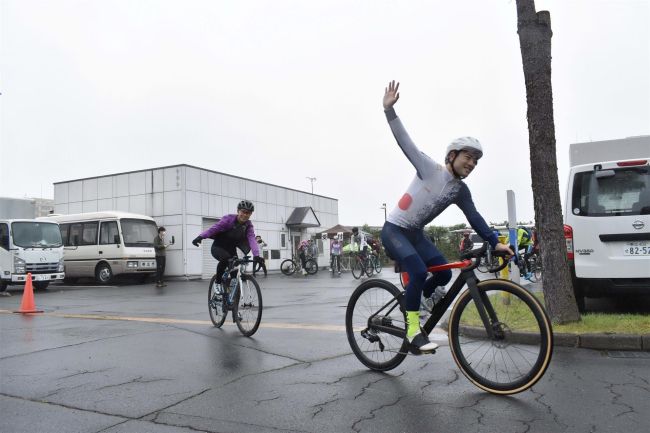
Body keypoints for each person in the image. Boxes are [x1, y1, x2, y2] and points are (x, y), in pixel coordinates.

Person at [379, 80, 513, 353]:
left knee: (441, 274)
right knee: (417, 271)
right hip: (394, 229)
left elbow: (474, 216)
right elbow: (406, 143)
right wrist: (389, 111)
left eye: (476, 161)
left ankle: (416, 301)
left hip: (415, 235)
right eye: (468, 157)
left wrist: (494, 241)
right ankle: (413, 330)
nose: (472, 164)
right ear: (452, 155)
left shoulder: (460, 191)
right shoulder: (429, 169)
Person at [192, 200, 260, 292]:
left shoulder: (248, 225)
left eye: (248, 213)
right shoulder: (228, 219)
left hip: (231, 249)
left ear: (250, 214)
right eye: (243, 212)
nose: (245, 215)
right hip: (218, 247)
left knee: (235, 270)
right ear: (238, 211)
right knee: (225, 260)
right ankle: (218, 282)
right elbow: (214, 228)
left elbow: (251, 238)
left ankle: (231, 298)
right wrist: (201, 237)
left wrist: (256, 255)